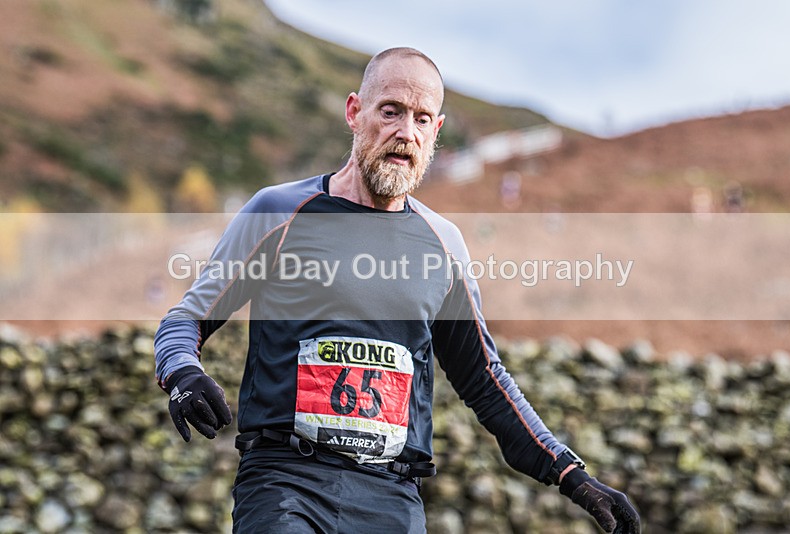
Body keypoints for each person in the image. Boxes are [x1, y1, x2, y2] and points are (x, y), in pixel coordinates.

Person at [154, 47, 641, 533]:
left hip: (391, 499)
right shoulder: (279, 212)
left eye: (422, 119)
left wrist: (570, 473)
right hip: (286, 485)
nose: (406, 132)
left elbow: (485, 380)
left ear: (436, 132)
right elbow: (187, 318)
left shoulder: (443, 245)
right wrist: (181, 372)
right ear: (354, 112)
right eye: (391, 112)